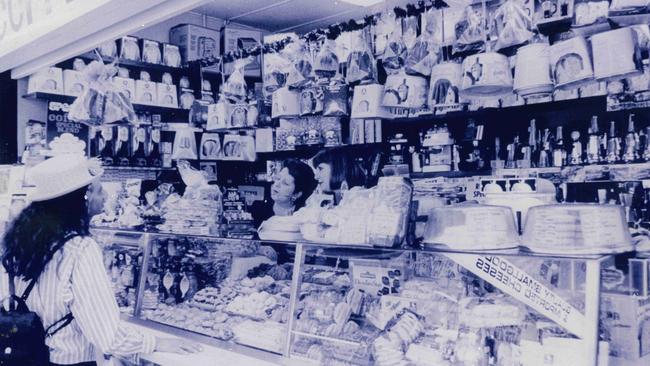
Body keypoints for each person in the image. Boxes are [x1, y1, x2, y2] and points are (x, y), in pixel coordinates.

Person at [0, 155, 202, 366]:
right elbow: (108, 336)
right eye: (98, 189)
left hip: (26, 356)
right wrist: (156, 342)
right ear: (83, 197)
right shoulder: (79, 248)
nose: (105, 195)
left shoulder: (20, 243)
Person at [252, 159, 316, 227]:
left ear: (297, 194)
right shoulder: (258, 209)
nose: (277, 184)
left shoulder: (305, 216)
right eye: (278, 178)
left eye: (285, 183)